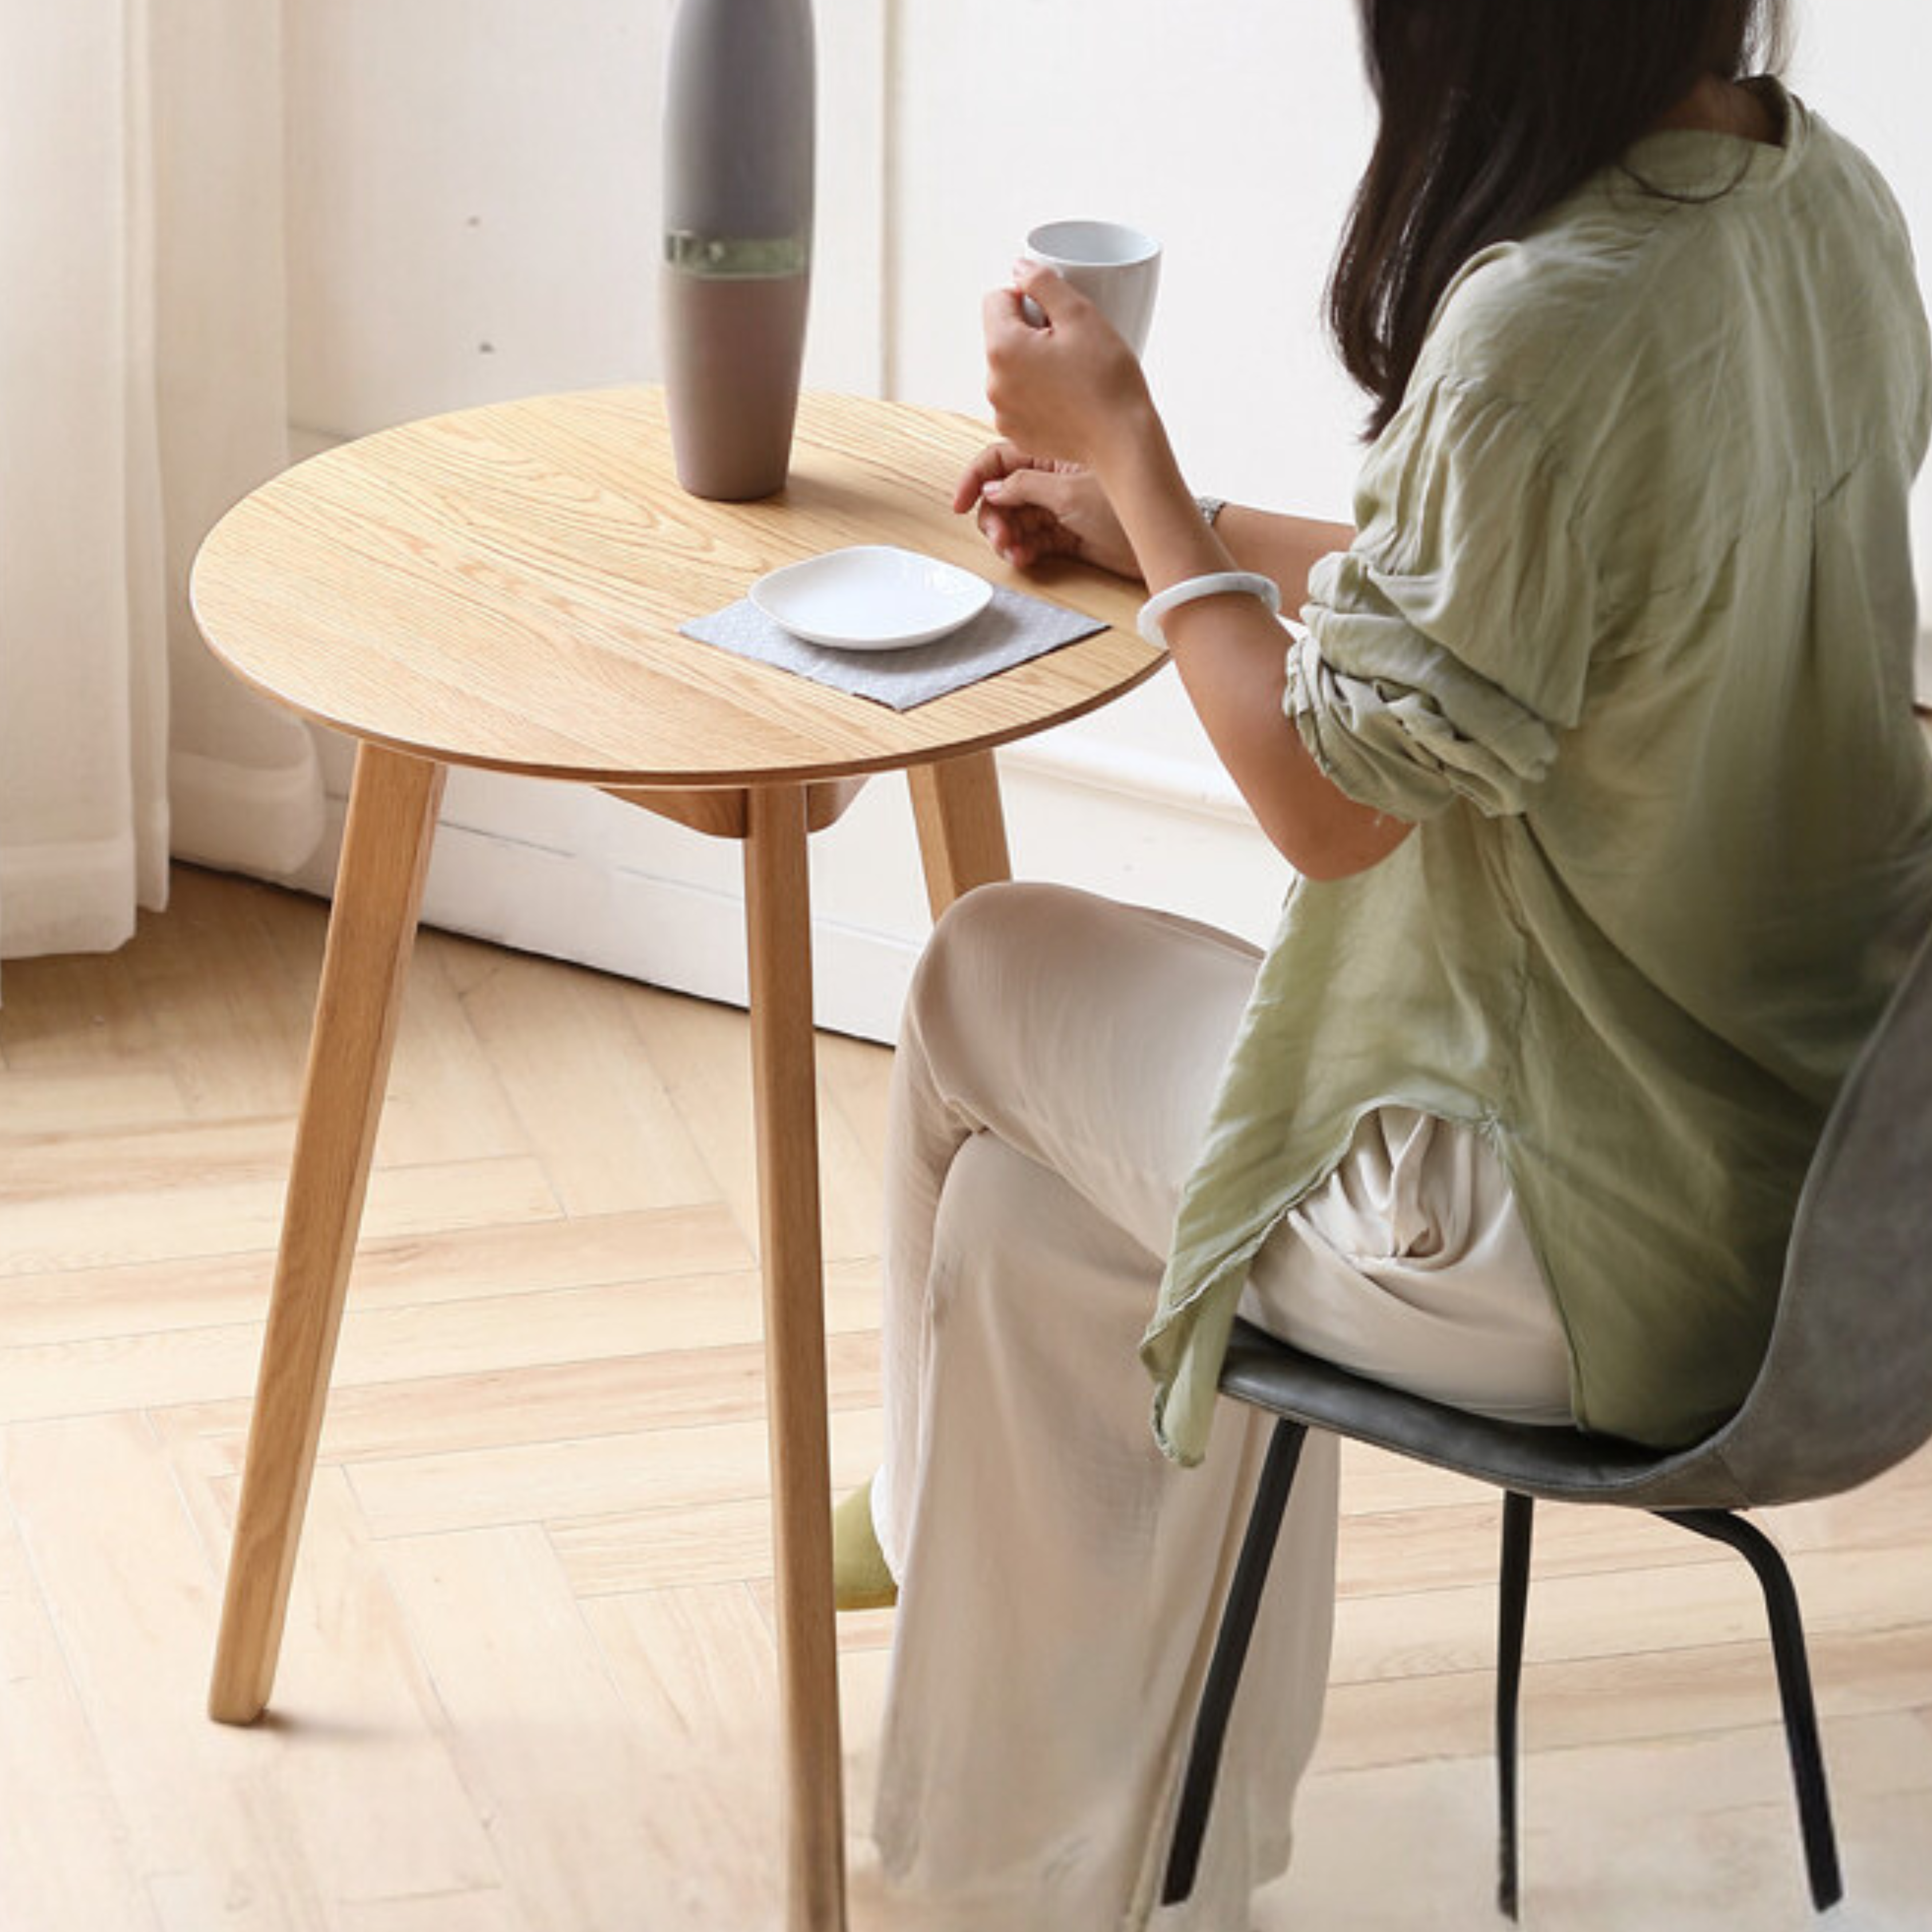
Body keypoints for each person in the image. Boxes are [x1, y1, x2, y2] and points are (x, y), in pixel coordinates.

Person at [836, 3, 1932, 1926]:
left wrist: (1126, 441)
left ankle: (920, 1527)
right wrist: (1158, 528)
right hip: (1832, 1206)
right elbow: (1528, 583)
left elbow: (1333, 807)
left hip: (1580, 1233)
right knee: (1029, 1228)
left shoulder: (1546, 323)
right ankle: (1115, 1878)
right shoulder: (1817, 204)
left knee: (971, 979)